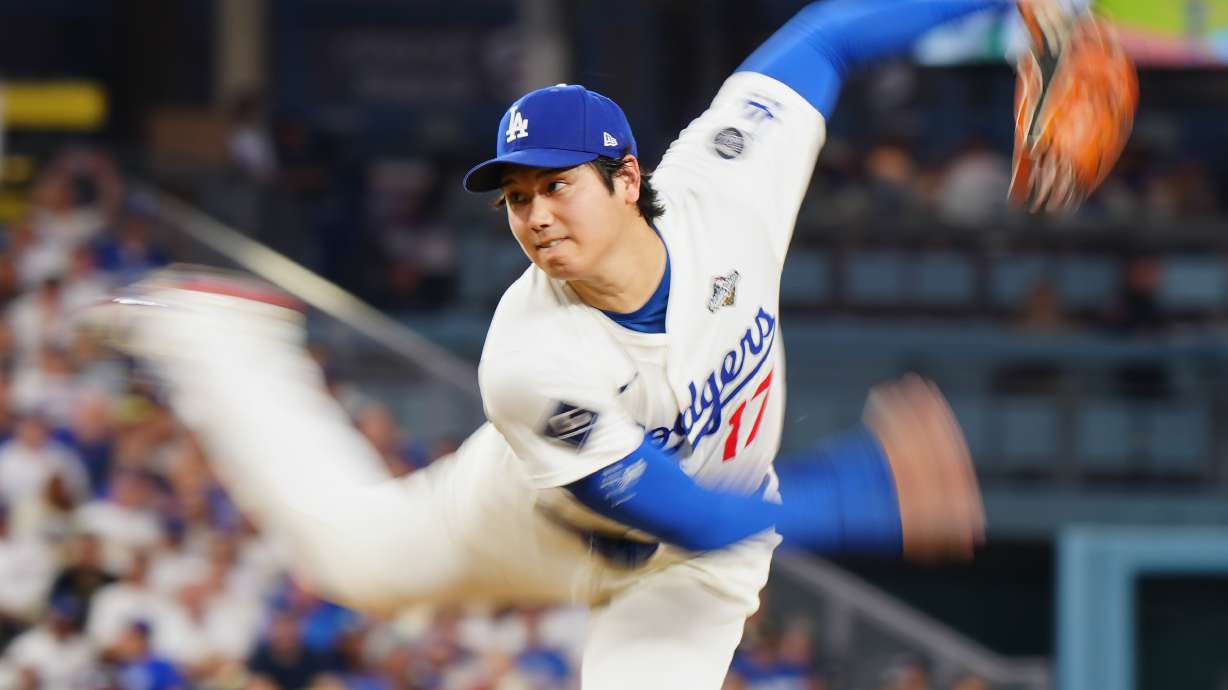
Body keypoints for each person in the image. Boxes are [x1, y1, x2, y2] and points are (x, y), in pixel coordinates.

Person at [98, 1, 1074, 687]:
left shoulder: (722, 187)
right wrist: (854, 500)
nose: (534, 215)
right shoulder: (529, 360)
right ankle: (218, 334)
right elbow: (684, 512)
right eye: (516, 198)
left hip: (696, 567)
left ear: (624, 177)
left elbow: (829, 34)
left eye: (556, 185)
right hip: (537, 518)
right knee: (348, 557)